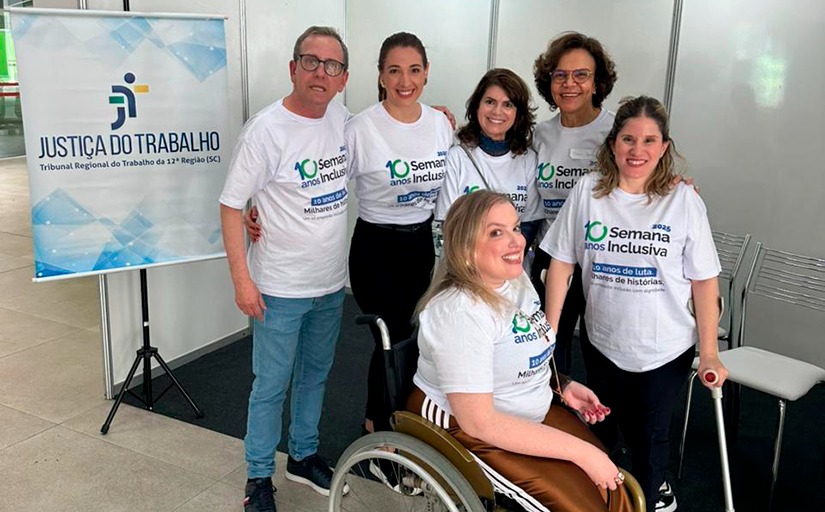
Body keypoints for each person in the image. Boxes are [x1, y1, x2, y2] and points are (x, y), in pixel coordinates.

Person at [540, 96, 729, 512]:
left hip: (664, 349)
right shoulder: (588, 192)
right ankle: (609, 496)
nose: (637, 150)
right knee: (600, 429)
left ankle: (650, 495)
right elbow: (560, 265)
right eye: (628, 138)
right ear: (613, 143)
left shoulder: (683, 201)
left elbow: (703, 281)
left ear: (664, 147)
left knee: (649, 439)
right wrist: (549, 338)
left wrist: (710, 352)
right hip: (603, 339)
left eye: (649, 140)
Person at [409, 190, 634, 512]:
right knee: (585, 503)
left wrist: (562, 385)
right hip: (465, 423)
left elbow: (525, 346)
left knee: (612, 490)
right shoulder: (460, 313)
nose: (517, 241)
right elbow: (480, 423)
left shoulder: (515, 280)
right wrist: (583, 453)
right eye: (496, 232)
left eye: (515, 227)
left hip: (524, 408)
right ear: (466, 249)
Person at [219, 26, 350, 512]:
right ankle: (258, 477)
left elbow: (389, 134)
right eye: (311, 61)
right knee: (270, 385)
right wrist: (242, 280)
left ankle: (303, 454)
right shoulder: (266, 129)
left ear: (343, 79)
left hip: (330, 283)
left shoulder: (341, 119)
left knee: (316, 375)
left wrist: (434, 119)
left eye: (332, 66)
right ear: (293, 68)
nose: (321, 72)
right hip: (278, 286)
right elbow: (232, 206)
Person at [346, 32, 453, 434]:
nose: (404, 80)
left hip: (421, 246)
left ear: (426, 73)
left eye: (413, 70)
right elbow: (322, 179)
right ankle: (377, 431)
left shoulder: (440, 123)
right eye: (394, 71)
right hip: (376, 248)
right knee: (388, 338)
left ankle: (400, 424)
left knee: (415, 338)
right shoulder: (360, 128)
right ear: (380, 76)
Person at [530, 32, 618, 376]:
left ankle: (602, 424)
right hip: (552, 254)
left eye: (581, 75)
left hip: (603, 256)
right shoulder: (541, 135)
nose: (570, 84)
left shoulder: (614, 132)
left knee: (602, 350)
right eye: (560, 75)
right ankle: (552, 416)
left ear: (597, 83)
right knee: (552, 344)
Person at [433, 68, 543, 244]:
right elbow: (448, 223)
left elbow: (529, 224)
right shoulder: (457, 157)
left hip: (511, 265)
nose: (497, 112)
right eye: (490, 102)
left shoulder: (528, 160)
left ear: (518, 113)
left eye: (508, 105)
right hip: (467, 264)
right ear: (477, 105)